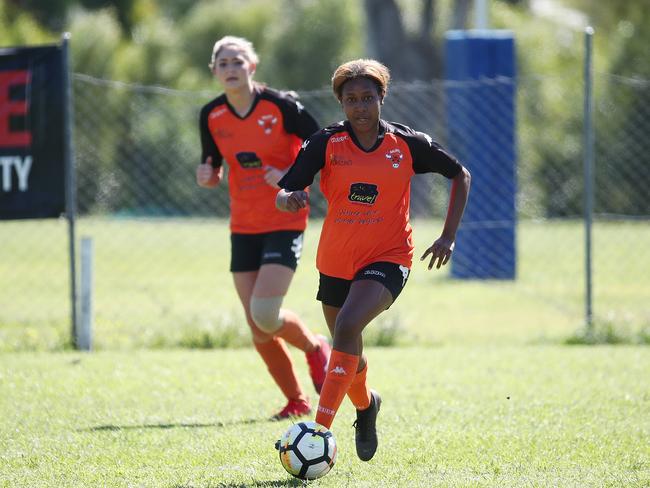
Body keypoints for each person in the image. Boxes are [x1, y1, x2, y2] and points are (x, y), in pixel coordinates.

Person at [276, 59, 471, 461]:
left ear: (382, 98)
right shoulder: (325, 143)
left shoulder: (406, 143)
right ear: (341, 103)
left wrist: (449, 236)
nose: (360, 107)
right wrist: (289, 198)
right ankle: (366, 407)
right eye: (351, 100)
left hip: (389, 257)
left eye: (368, 98)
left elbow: (460, 174)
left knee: (347, 327)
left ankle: (317, 435)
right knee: (349, 350)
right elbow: (285, 191)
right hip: (335, 260)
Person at [196, 36, 330, 420]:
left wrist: (290, 177)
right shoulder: (211, 115)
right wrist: (206, 175)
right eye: (223, 62)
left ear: (252, 67)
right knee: (258, 327)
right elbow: (212, 171)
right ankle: (297, 401)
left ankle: (314, 347)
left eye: (238, 60)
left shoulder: (281, 105)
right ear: (215, 71)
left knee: (266, 313)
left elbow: (321, 143)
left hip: (285, 216)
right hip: (243, 224)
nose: (230, 67)